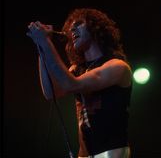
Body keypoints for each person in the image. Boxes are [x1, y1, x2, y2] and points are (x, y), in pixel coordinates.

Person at [27, 8, 132, 158]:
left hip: (111, 153)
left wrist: (45, 42)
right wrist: (42, 47)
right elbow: (51, 92)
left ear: (96, 28)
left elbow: (72, 85)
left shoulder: (118, 66)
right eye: (70, 27)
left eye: (79, 23)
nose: (72, 29)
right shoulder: (76, 69)